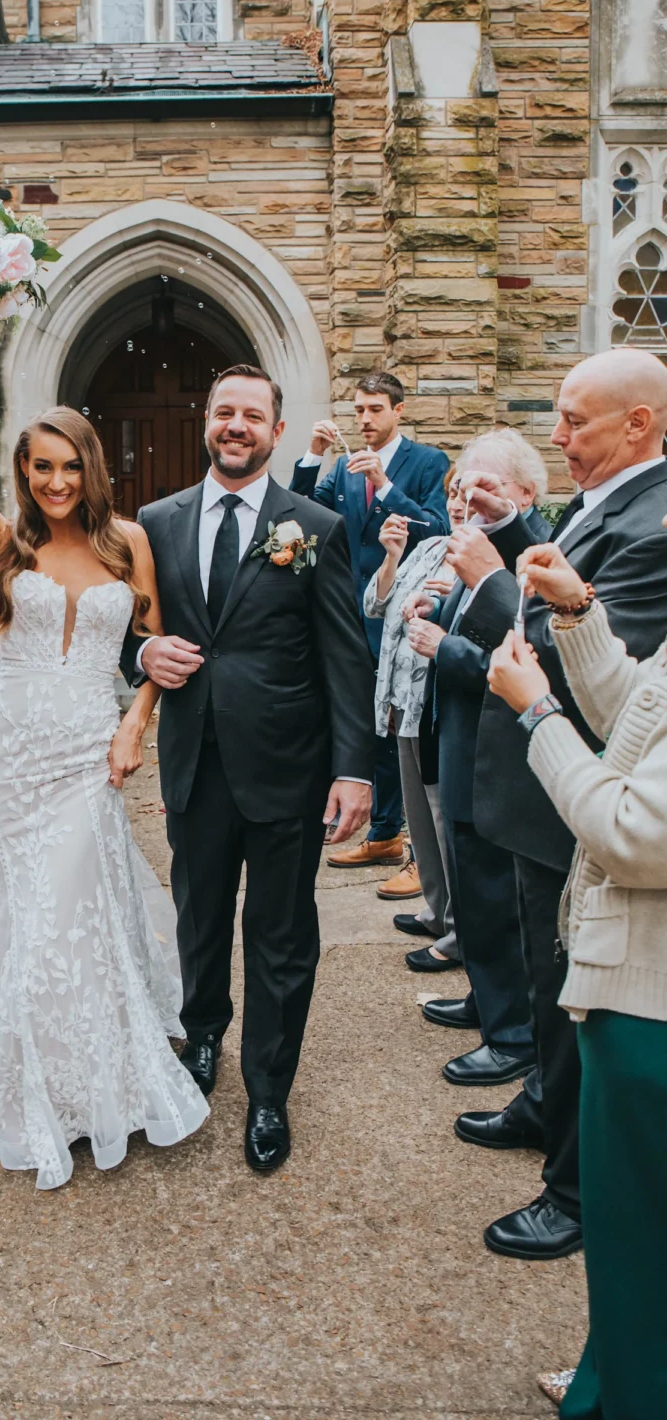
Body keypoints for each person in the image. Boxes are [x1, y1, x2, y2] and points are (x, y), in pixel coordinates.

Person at [0, 289, 209, 1191]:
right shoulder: (6, 546)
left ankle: (87, 1075)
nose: (54, 482)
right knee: (26, 907)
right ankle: (34, 1075)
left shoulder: (128, 545)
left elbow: (153, 655)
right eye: (40, 467)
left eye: (67, 466)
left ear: (92, 466)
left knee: (71, 902)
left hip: (88, 745)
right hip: (10, 748)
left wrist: (133, 725)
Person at [449, 348, 667, 1260]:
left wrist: (487, 583)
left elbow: (611, 696)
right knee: (547, 985)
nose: (558, 435)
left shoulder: (655, 523)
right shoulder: (609, 504)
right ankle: (545, 1106)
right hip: (537, 785)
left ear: (639, 423)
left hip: (578, 787)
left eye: (575, 420)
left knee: (576, 991)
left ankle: (574, 1192)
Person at [135, 363, 377, 1172]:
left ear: (277, 431)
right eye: (223, 412)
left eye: (252, 416)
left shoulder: (314, 526)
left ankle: (268, 1089)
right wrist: (143, 651)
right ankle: (201, 1039)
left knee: (279, 935)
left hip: (287, 766)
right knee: (198, 920)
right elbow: (121, 625)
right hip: (195, 762)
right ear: (206, 422)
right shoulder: (155, 522)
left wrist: (354, 769)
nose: (235, 426)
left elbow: (346, 656)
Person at [488, 529, 667, 1420]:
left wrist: (538, 717)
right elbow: (643, 710)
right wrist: (577, 612)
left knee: (638, 1233)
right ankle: (610, 1374)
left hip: (652, 1004)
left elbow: (639, 832)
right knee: (637, 1237)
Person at [406, 431, 549, 1101]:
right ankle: (487, 1001)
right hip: (456, 740)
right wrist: (433, 607)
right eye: (461, 485)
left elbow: (522, 657)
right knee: (473, 894)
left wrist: (442, 649)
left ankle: (513, 1036)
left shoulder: (531, 551)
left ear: (524, 493)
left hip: (499, 755)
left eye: (487, 485)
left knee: (498, 901)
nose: (468, 497)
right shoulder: (465, 550)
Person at [289, 372, 449, 874]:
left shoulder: (426, 462)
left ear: (398, 411)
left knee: (391, 724)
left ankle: (390, 832)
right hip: (348, 611)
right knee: (354, 715)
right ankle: (376, 830)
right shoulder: (341, 469)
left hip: (400, 612)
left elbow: (438, 531)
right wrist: (314, 457)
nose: (364, 419)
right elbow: (300, 517)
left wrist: (384, 485)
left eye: (375, 409)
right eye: (358, 410)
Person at [363, 471, 465, 958]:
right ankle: (435, 908)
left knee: (444, 817)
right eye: (452, 494)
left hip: (439, 705)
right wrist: (391, 557)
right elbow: (376, 603)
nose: (459, 503)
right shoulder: (432, 546)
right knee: (419, 816)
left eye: (468, 495)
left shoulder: (483, 557)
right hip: (403, 701)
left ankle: (458, 926)